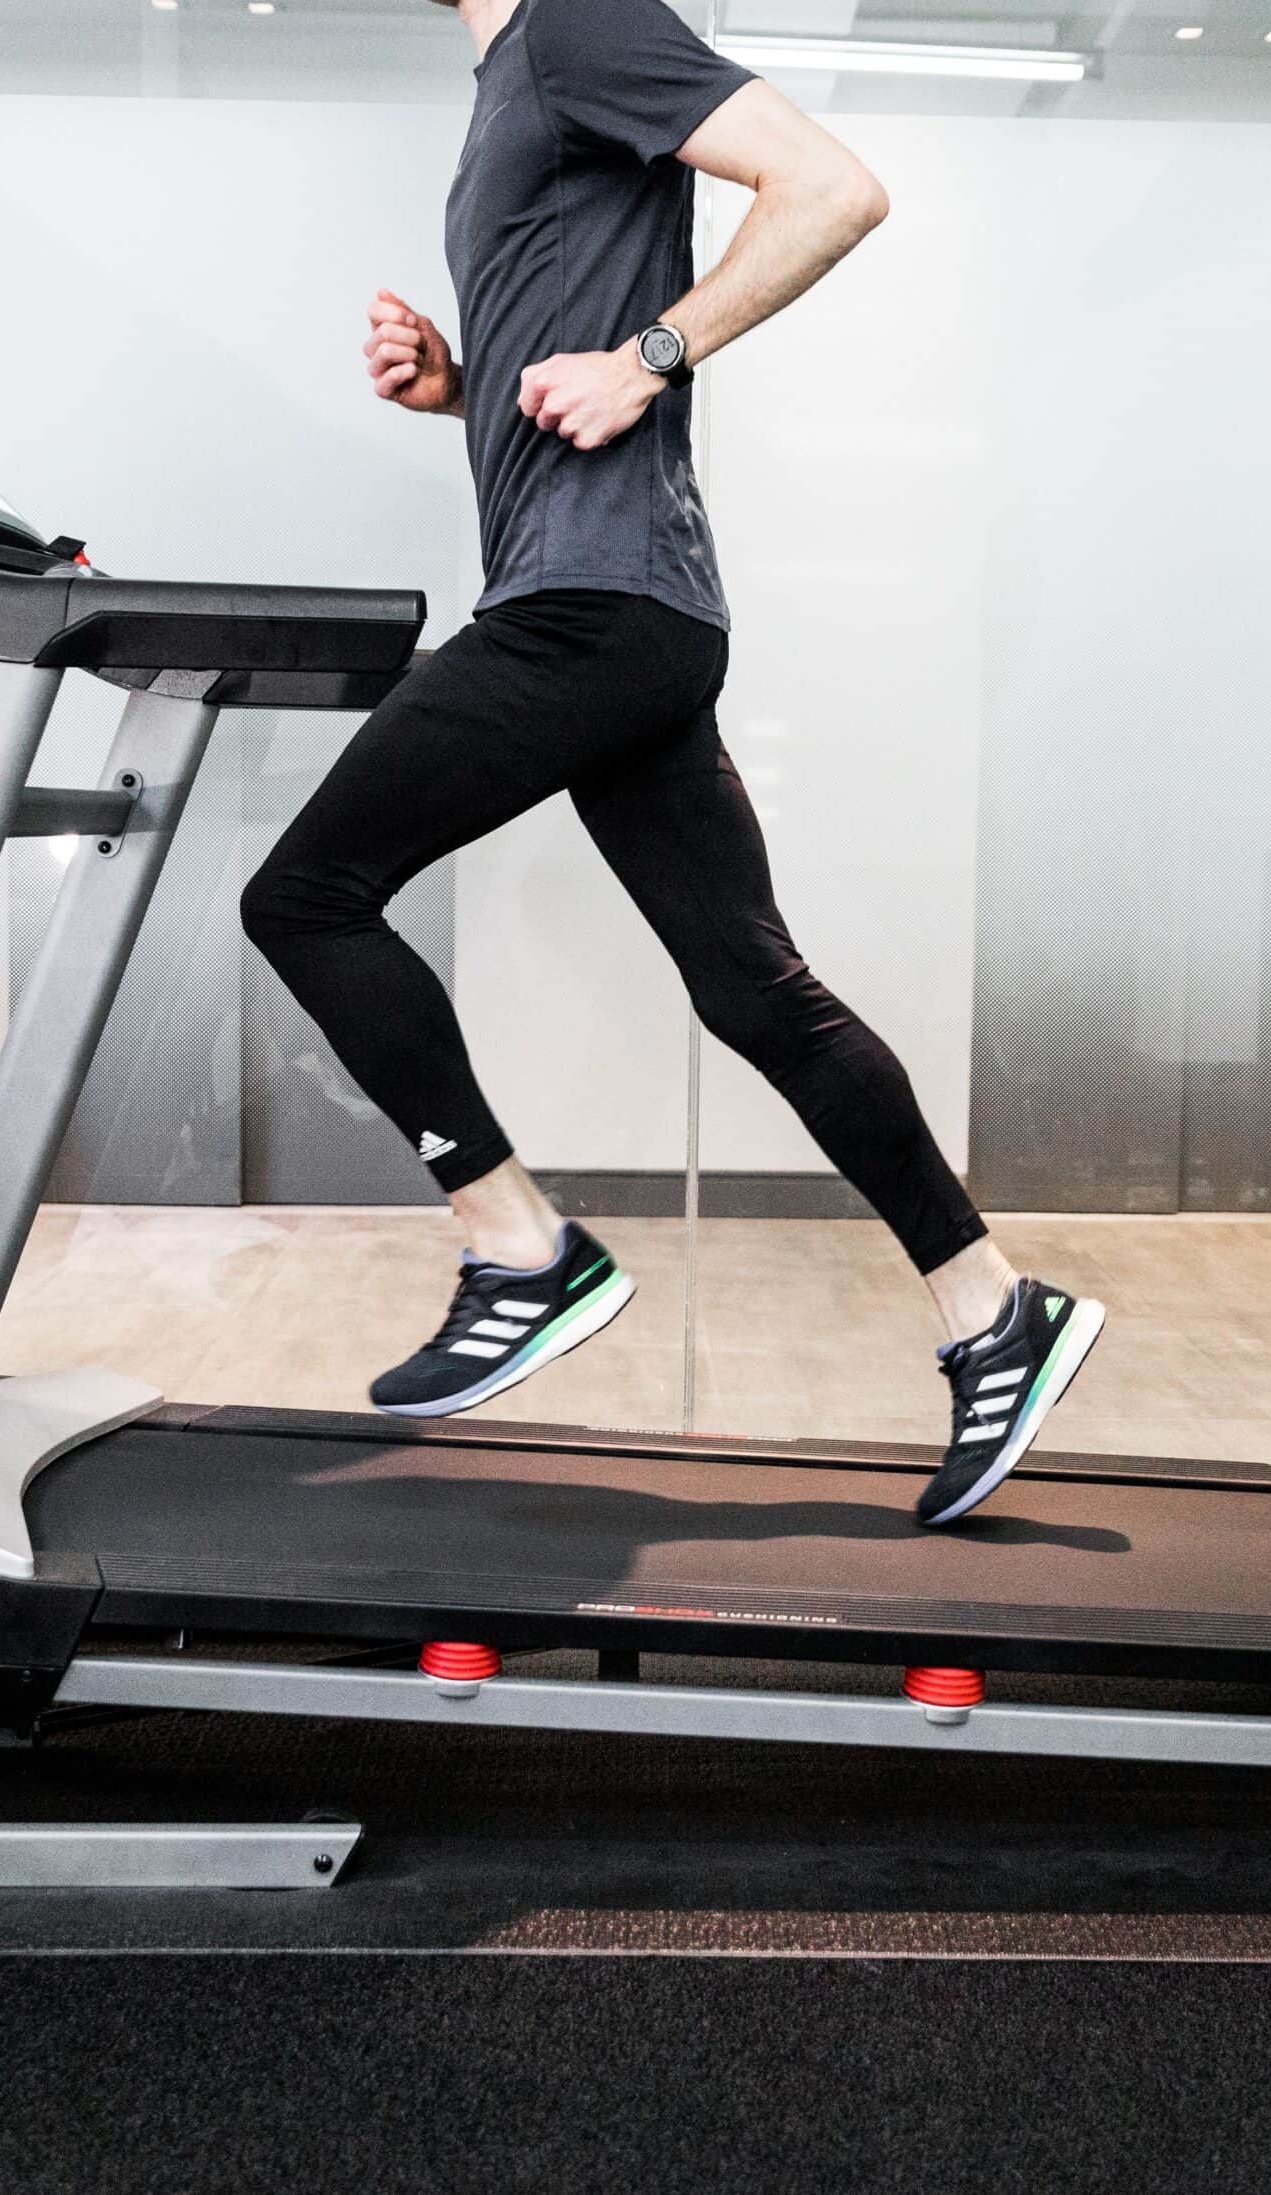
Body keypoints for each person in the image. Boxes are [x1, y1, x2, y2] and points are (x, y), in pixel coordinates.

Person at [239, 0, 1102, 1525]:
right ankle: (994, 1306)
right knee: (750, 987)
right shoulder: (515, 66)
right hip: (619, 603)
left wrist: (654, 353)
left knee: (306, 897)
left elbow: (835, 187)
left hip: (594, 609)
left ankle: (521, 1248)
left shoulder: (576, 19)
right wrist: (460, 382)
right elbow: (575, 329)